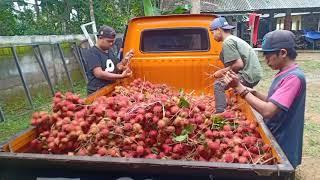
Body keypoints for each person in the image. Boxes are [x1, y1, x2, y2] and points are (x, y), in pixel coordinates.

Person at [223, 30, 306, 168]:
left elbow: (268, 111)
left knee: (280, 170)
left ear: (283, 53)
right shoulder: (284, 74)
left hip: (284, 139)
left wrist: (239, 87)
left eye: (268, 56)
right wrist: (254, 92)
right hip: (276, 132)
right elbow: (273, 101)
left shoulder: (293, 78)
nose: (266, 60)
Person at [209, 17, 262, 113]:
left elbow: (238, 65)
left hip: (248, 74)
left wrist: (221, 72)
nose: (213, 36)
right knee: (230, 87)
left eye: (212, 33)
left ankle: (220, 112)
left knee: (218, 85)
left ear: (219, 30)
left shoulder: (228, 42)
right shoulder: (233, 39)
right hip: (253, 73)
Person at [85, 25, 134, 94]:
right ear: (100, 38)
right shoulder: (92, 53)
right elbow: (99, 73)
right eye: (109, 41)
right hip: (97, 92)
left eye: (112, 41)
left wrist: (125, 59)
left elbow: (117, 67)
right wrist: (121, 76)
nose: (111, 44)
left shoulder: (109, 50)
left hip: (111, 88)